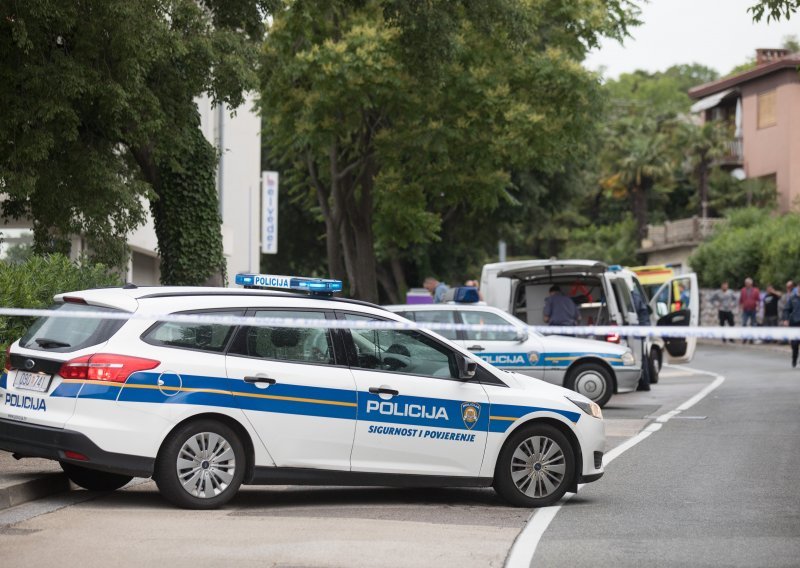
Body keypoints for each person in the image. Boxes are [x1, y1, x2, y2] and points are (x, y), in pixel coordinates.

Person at [781, 289, 800, 367]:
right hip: (794, 324)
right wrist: (785, 319)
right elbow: (786, 310)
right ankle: (794, 359)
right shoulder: (792, 299)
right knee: (794, 344)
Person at [739, 277, 760, 344]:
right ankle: (744, 338)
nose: (746, 284)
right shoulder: (743, 290)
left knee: (753, 324)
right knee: (744, 323)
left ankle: (752, 338)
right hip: (745, 309)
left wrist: (758, 307)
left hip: (753, 309)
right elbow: (741, 300)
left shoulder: (756, 290)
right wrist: (740, 307)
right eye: (745, 283)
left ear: (751, 283)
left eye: (747, 283)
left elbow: (758, 300)